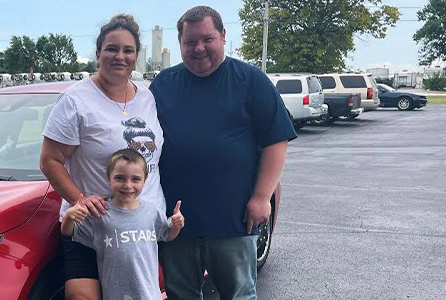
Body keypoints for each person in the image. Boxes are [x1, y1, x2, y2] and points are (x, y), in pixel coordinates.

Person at [149, 5, 297, 300]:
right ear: (180, 43)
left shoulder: (251, 81)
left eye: (207, 39)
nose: (199, 48)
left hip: (233, 221)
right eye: (190, 42)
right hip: (176, 224)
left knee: (238, 294)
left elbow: (276, 141)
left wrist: (260, 198)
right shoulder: (163, 85)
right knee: (180, 295)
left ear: (223, 36)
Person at [40, 14, 166, 300]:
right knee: (82, 296)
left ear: (136, 56)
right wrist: (80, 199)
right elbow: (50, 160)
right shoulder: (75, 100)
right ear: (98, 53)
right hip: (93, 223)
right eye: (111, 48)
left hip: (140, 225)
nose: (119, 56)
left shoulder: (146, 97)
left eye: (128, 50)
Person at [61, 148, 184, 300]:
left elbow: (167, 235)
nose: (127, 185)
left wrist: (176, 226)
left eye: (135, 179)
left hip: (149, 295)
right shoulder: (101, 214)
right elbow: (69, 232)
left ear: (145, 179)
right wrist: (69, 216)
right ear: (109, 178)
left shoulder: (152, 212)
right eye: (120, 178)